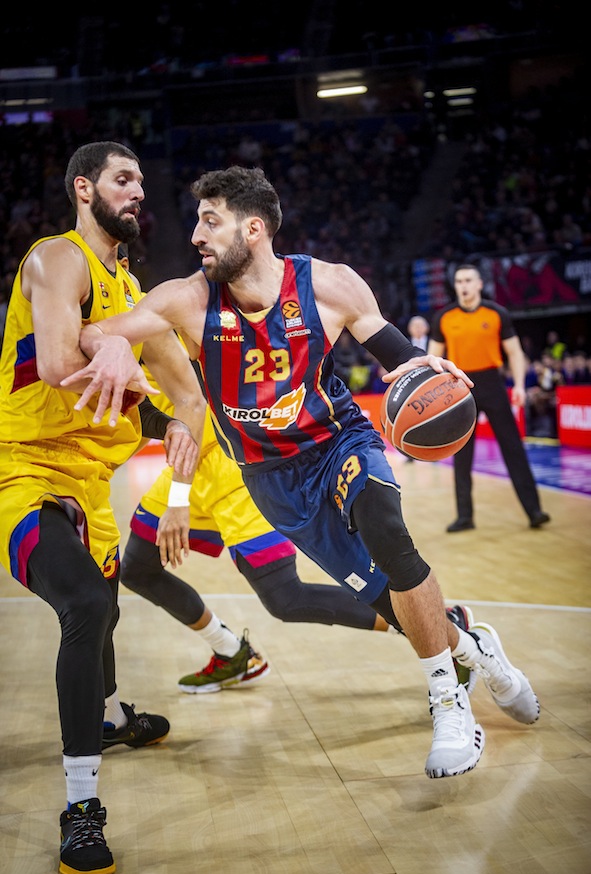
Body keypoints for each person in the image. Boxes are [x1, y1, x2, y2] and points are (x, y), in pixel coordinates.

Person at [66, 165, 540, 786]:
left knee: (386, 529)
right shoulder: (186, 298)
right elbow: (93, 332)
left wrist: (428, 370)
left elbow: (396, 354)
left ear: (254, 228)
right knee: (386, 604)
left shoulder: (330, 285)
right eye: (197, 222)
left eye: (211, 222)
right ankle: (478, 652)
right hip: (273, 480)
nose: (195, 237)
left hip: (339, 440)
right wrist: (109, 346)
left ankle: (450, 705)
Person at [0, 141, 202, 874]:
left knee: (107, 607)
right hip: (20, 474)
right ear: (84, 188)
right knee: (85, 603)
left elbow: (190, 400)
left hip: (93, 487)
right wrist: (104, 345)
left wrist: (179, 453)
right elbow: (55, 364)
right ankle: (80, 808)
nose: (139, 190)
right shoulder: (57, 259)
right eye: (124, 178)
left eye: (144, 180)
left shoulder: (137, 296)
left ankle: (110, 717)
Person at [121, 398, 477, 693]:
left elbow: (192, 401)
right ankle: (231, 652)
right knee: (137, 568)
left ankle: (440, 628)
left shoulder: (160, 324)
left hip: (233, 469)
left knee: (286, 599)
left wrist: (178, 499)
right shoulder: (114, 329)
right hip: (185, 466)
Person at [428, 264, 550, 532]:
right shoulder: (444, 317)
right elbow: (433, 359)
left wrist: (518, 384)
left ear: (480, 284)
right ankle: (465, 516)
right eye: (459, 281)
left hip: (492, 383)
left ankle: (534, 511)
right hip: (459, 386)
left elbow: (515, 353)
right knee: (462, 453)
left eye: (469, 280)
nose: (464, 285)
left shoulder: (497, 313)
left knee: (513, 448)